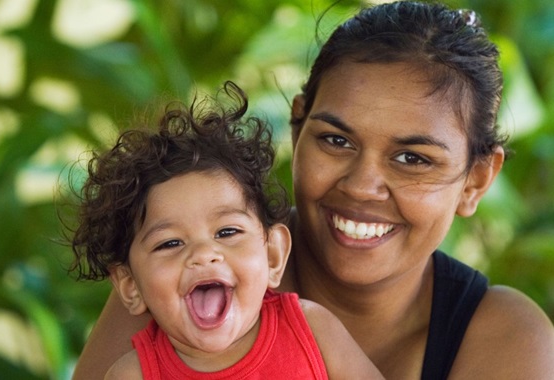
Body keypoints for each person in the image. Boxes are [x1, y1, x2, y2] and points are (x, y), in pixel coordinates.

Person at [72, 2, 554, 379]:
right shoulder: (186, 277)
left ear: (476, 180)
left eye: (413, 158)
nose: (363, 185)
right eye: (336, 140)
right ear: (297, 125)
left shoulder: (504, 335)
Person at [67, 81, 384, 379]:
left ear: (272, 255)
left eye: (227, 232)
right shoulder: (133, 375)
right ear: (130, 286)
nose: (204, 254)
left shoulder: (312, 331)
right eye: (170, 243)